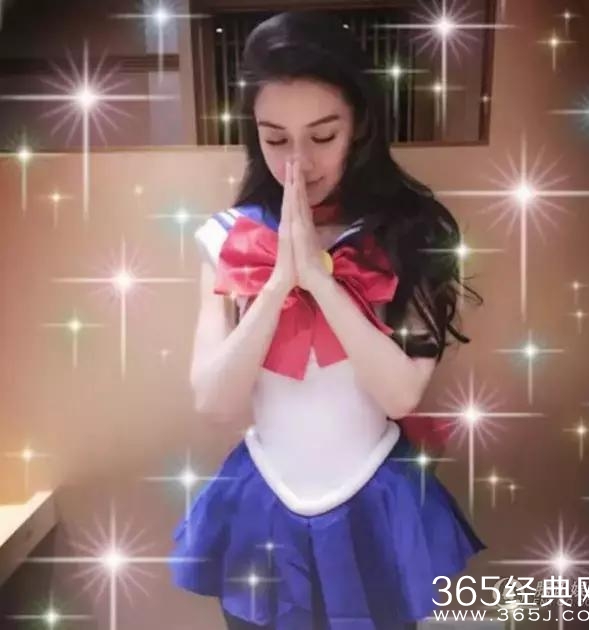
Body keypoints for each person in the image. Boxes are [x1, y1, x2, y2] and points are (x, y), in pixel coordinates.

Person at [170, 10, 486, 630]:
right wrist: (277, 284)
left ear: (359, 124)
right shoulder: (229, 240)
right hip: (263, 498)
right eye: (275, 138)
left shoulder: (411, 234)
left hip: (377, 498)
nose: (299, 163)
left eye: (322, 136)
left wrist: (319, 279)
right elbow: (213, 401)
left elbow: (401, 394)